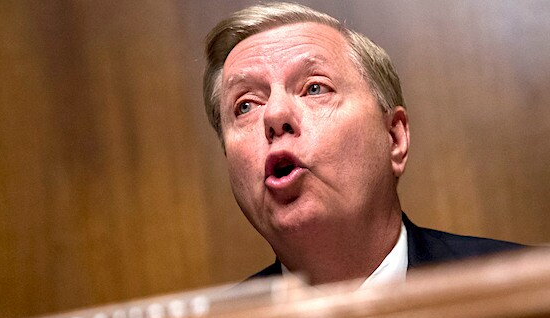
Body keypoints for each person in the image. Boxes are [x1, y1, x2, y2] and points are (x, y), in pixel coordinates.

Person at [203, 2, 522, 287]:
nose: (274, 114)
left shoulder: (526, 289)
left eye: (315, 88)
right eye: (245, 105)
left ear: (394, 138)